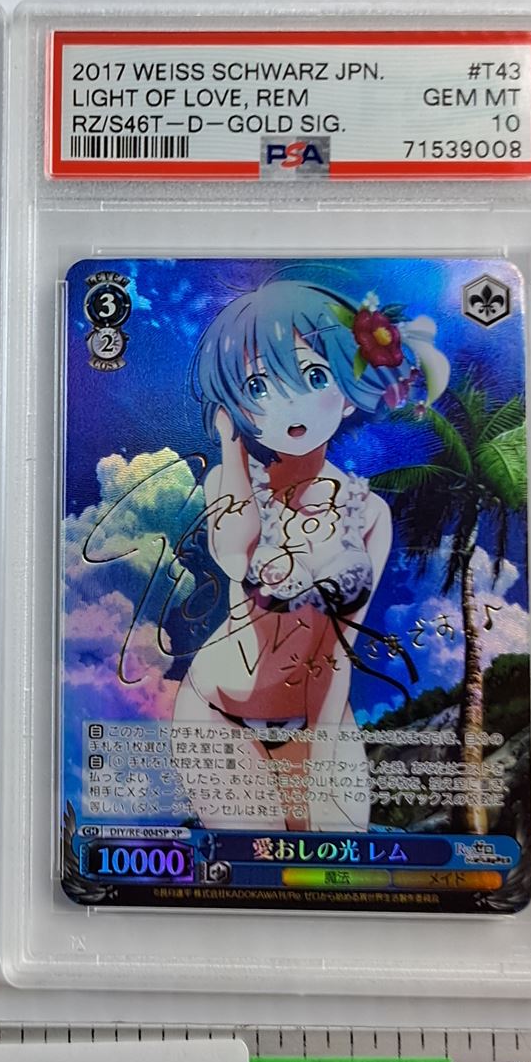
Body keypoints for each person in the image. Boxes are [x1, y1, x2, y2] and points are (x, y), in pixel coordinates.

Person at [170, 276, 444, 831]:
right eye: (258, 385)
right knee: (251, 863)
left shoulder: (369, 513)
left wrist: (316, 763)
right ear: (235, 404)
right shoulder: (229, 480)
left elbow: (339, 649)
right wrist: (229, 442)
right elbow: (234, 557)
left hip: (323, 718)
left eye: (314, 376)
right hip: (218, 713)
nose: (288, 403)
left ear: (348, 390)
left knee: (337, 858)